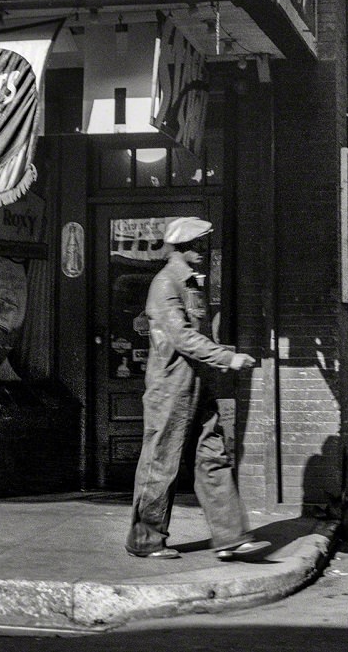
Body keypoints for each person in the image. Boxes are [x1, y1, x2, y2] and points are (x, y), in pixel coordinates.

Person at [126, 217, 269, 561]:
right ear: (181, 248)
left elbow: (197, 334)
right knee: (161, 462)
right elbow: (182, 337)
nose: (203, 251)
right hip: (171, 388)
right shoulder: (165, 284)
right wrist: (227, 358)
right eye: (197, 246)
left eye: (203, 244)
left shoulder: (191, 284)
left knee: (212, 457)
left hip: (197, 384)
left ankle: (230, 537)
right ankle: (144, 540)